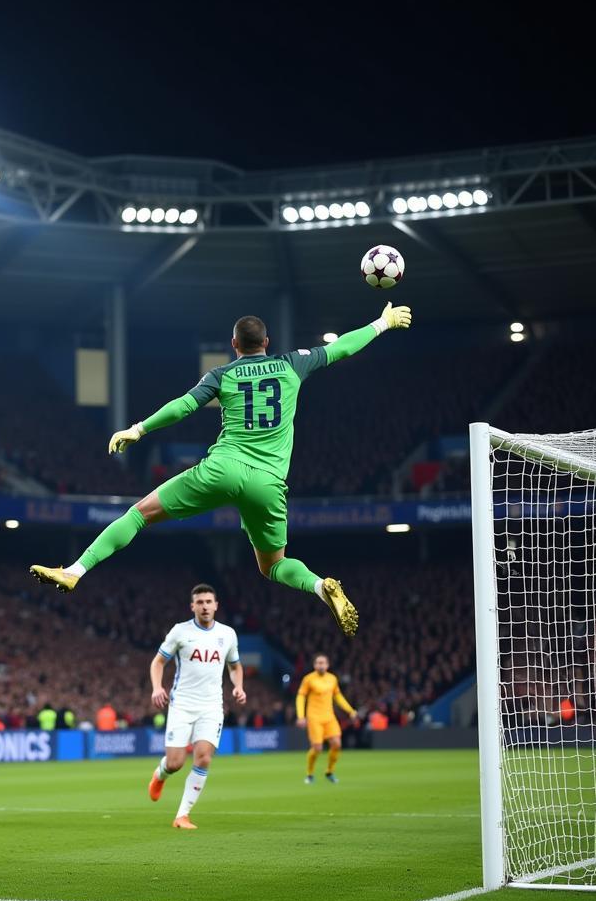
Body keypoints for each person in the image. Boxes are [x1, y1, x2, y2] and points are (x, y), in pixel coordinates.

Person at [30, 303, 413, 638]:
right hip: (268, 483)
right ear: (267, 341)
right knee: (274, 565)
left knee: (139, 514)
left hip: (222, 468)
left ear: (234, 346)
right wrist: (382, 323)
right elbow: (341, 347)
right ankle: (318, 586)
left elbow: (183, 406)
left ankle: (77, 570)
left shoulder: (222, 375)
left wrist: (138, 429)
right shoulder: (292, 363)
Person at [147, 584, 245, 829]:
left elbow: (235, 665)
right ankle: (160, 774)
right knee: (175, 763)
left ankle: (182, 815)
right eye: (199, 602)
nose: (204, 606)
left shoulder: (228, 634)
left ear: (216, 605)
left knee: (203, 758)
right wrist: (157, 687)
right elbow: (158, 662)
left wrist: (238, 686)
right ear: (192, 606)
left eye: (208, 602)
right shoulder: (180, 632)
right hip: (182, 704)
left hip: (212, 706)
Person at [296, 653, 357, 785]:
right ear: (314, 665)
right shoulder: (308, 679)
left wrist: (350, 710)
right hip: (314, 717)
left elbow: (338, 697)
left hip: (329, 717)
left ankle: (329, 771)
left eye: (323, 663)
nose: (320, 665)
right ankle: (309, 774)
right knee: (317, 748)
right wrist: (301, 716)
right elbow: (301, 697)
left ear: (328, 665)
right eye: (318, 663)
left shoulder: (332, 679)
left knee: (337, 744)